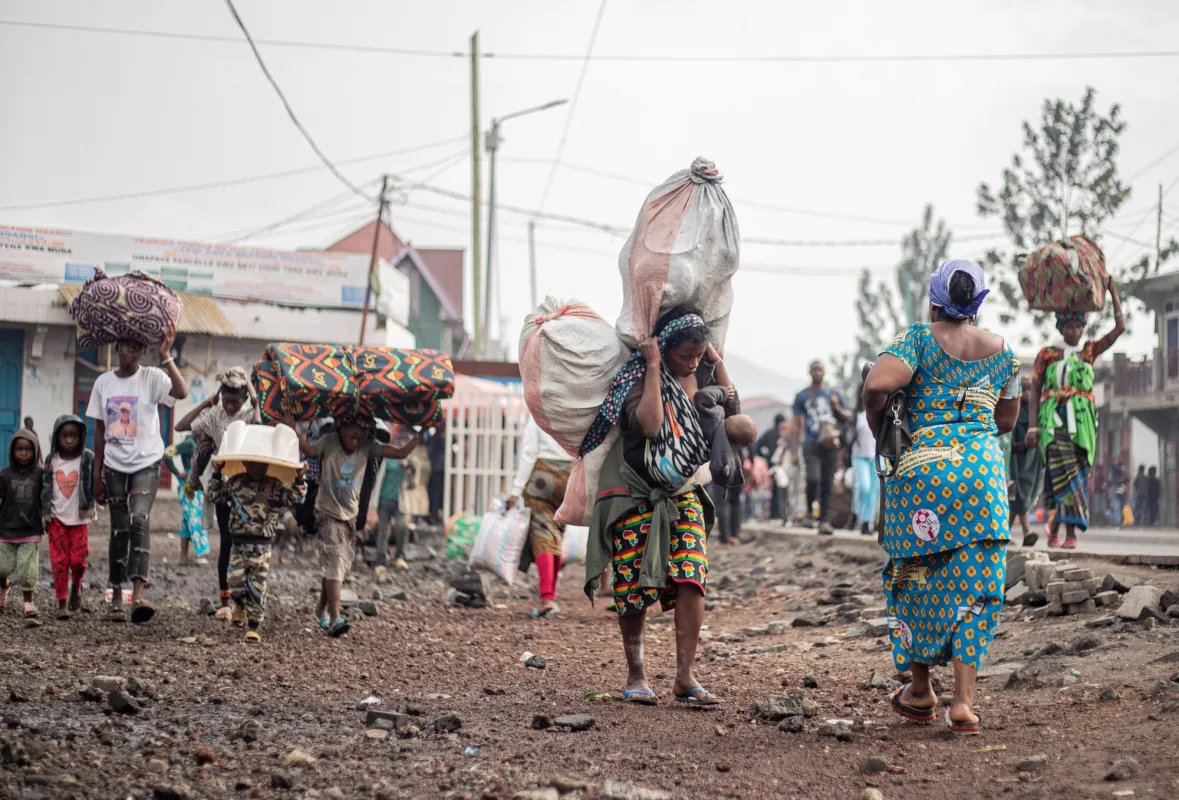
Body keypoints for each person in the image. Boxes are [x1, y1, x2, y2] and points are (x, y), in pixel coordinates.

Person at [863, 259, 1020, 736]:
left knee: (914, 575)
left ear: (935, 299)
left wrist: (880, 428)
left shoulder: (917, 338)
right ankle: (964, 704)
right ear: (976, 304)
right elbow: (1009, 419)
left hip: (924, 475)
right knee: (976, 586)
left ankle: (919, 690)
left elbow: (876, 384)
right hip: (983, 477)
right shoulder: (1004, 352)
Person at [583, 307, 738, 707]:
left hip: (681, 492)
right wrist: (653, 366)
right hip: (633, 492)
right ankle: (636, 674)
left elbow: (734, 408)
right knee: (632, 583)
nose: (691, 363)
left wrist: (715, 360)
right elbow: (650, 426)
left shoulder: (702, 374)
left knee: (691, 574)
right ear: (664, 349)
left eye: (698, 355)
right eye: (684, 355)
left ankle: (685, 677)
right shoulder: (636, 377)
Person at [88, 333, 188, 623]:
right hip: (114, 466)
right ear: (117, 348)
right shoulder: (102, 383)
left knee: (139, 520)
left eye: (135, 347)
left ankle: (139, 593)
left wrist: (167, 355)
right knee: (118, 528)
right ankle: (117, 596)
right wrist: (97, 474)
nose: (129, 352)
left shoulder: (152, 377)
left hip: (146, 462)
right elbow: (98, 432)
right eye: (125, 346)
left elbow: (180, 393)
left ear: (143, 352)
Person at [290, 415, 419, 637]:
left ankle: (320, 610)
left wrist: (420, 433)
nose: (356, 441)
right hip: (326, 512)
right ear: (340, 427)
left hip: (349, 515)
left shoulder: (368, 447)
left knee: (336, 565)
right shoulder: (329, 442)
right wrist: (292, 426)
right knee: (336, 561)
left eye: (361, 436)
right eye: (352, 435)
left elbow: (400, 453)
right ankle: (335, 617)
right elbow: (310, 451)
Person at [1027, 278, 1124, 547]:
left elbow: (1120, 328)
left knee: (1078, 477)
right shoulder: (1047, 354)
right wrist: (1033, 426)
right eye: (1069, 326)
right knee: (1059, 477)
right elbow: (1035, 389)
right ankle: (1065, 533)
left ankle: (1058, 526)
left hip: (1082, 428)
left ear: (1083, 328)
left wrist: (1113, 292)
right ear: (1061, 327)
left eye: (1078, 326)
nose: (1074, 331)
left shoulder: (1089, 351)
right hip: (1053, 424)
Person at [205, 424, 303, 643]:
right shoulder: (236, 482)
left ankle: (254, 627)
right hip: (238, 543)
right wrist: (217, 472)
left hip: (262, 545)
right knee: (235, 581)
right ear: (244, 461)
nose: (256, 466)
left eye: (261, 463)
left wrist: (300, 478)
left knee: (258, 586)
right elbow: (215, 495)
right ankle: (238, 606)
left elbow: (293, 497)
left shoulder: (275, 485)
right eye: (251, 462)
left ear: (268, 464)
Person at [175, 368, 259, 619]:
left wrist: (255, 401)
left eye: (236, 401)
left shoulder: (248, 416)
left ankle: (244, 598)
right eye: (226, 400)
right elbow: (182, 426)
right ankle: (225, 600)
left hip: (246, 486)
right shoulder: (215, 414)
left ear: (244, 400)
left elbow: (258, 426)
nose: (231, 406)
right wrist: (207, 402)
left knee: (246, 543)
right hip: (223, 486)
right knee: (227, 542)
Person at [507, 418, 573, 618]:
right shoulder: (574, 409)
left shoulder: (539, 412)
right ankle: (551, 595)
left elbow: (528, 453)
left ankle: (547, 598)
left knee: (543, 536)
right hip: (569, 477)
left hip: (543, 475)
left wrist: (516, 490)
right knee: (557, 535)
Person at [40, 416, 95, 620]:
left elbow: (96, 482)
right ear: (57, 437)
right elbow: (44, 488)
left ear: (81, 437)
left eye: (74, 435)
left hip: (80, 519)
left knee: (78, 561)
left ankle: (77, 586)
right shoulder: (51, 460)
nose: (69, 440)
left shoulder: (87, 458)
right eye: (64, 436)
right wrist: (44, 514)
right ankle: (61, 602)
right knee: (59, 561)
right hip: (57, 519)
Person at [792, 360, 851, 534]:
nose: (817, 372)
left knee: (827, 482)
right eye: (814, 369)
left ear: (824, 372)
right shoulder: (802, 396)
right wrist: (794, 450)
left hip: (830, 443)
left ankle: (824, 520)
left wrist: (836, 406)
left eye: (820, 369)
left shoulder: (834, 393)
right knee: (813, 478)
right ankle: (810, 513)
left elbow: (848, 416)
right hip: (811, 443)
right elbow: (796, 424)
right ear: (809, 372)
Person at [0, 429, 45, 620]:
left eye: (28, 449)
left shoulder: (41, 474)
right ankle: (4, 586)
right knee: (2, 566)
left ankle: (28, 603)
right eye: (19, 449)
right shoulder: (4, 475)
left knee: (28, 569)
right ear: (12, 451)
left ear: (35, 451)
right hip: (5, 529)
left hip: (30, 529)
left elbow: (47, 498)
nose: (24, 453)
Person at [1008, 377, 1044, 546]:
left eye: (1032, 390)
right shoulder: (1012, 412)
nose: (1029, 394)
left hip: (1032, 462)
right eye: (1025, 390)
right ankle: (1025, 531)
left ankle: (1008, 533)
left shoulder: (1037, 414)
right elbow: (1009, 441)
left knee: (1024, 497)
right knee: (1017, 496)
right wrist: (1021, 445)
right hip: (1017, 462)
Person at [164, 433, 207, 566]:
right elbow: (167, 454)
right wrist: (177, 472)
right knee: (195, 518)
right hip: (190, 485)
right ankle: (200, 554)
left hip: (194, 484)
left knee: (187, 518)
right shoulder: (189, 443)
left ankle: (184, 557)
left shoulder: (199, 442)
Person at [850, 372, 881, 537]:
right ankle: (859, 516)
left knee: (874, 490)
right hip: (860, 456)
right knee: (864, 487)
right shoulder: (856, 416)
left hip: (876, 457)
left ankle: (868, 522)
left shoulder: (879, 412)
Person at [753, 414, 790, 524]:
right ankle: (780, 514)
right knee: (782, 490)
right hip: (781, 466)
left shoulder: (769, 433)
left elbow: (757, 446)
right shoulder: (783, 434)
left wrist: (766, 457)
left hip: (772, 465)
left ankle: (775, 514)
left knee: (774, 490)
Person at [374, 450, 406, 570]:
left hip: (400, 502)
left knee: (402, 527)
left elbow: (412, 484)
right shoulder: (385, 461)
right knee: (383, 531)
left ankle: (399, 557)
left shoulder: (406, 462)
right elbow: (376, 481)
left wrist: (410, 468)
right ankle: (381, 560)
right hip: (384, 500)